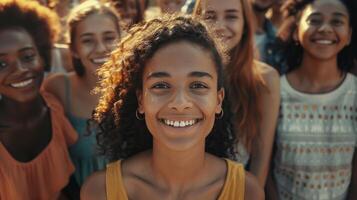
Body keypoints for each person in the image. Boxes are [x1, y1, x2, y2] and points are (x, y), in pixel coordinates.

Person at [81, 14, 264, 200]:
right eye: (161, 85)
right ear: (141, 100)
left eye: (198, 85)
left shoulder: (246, 191)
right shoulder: (101, 191)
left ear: (218, 101)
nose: (180, 103)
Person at [267, 0, 357, 199]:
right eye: (314, 20)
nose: (325, 28)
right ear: (296, 31)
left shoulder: (355, 92)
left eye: (337, 22)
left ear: (349, 35)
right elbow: (263, 167)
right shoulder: (275, 91)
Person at [193, 0, 280, 187]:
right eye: (210, 17)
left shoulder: (265, 80)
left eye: (231, 16)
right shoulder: (182, 75)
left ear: (245, 24)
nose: (219, 26)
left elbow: (261, 159)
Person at [0, 0, 77, 199]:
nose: (20, 70)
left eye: (27, 57)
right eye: (1, 64)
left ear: (42, 57)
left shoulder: (54, 109)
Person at [43, 0, 121, 192]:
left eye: (109, 37)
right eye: (87, 40)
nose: (101, 48)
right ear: (74, 50)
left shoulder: (139, 86)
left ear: (122, 40)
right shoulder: (58, 88)